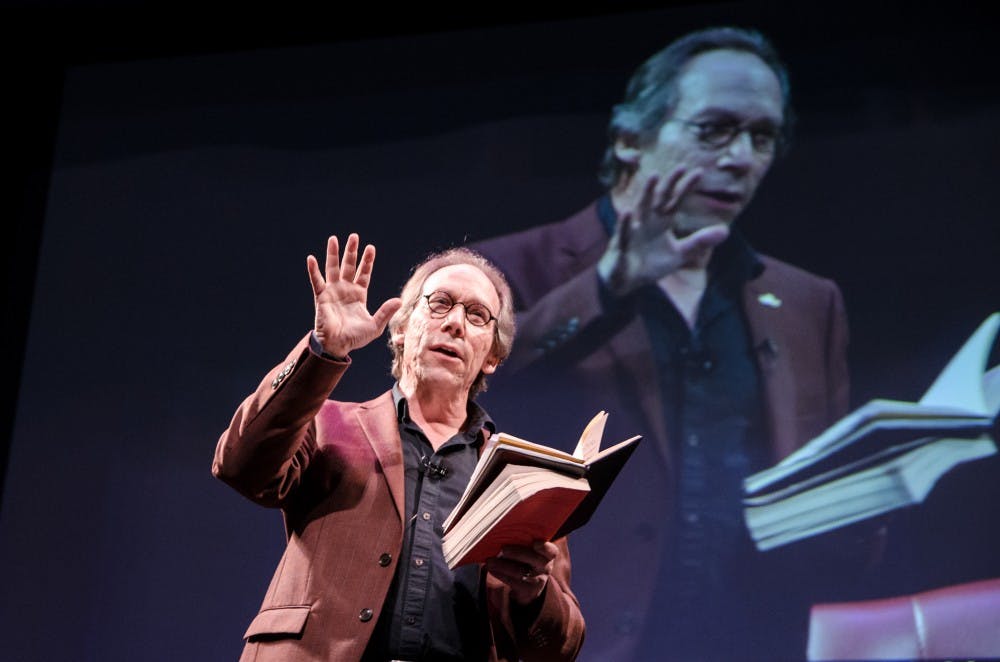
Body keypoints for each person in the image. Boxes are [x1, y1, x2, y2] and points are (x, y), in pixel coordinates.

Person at [471, 26, 879, 660]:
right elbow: (455, 393)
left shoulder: (806, 303)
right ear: (632, 138)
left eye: (762, 137)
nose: (741, 157)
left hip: (753, 640)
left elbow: (827, 505)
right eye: (714, 130)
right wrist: (608, 286)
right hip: (568, 641)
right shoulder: (508, 271)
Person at [213, 233, 585, 661]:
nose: (455, 323)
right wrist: (323, 352)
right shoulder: (325, 422)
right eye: (440, 303)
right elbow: (240, 467)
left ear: (492, 358)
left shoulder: (520, 480)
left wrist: (534, 595)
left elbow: (560, 649)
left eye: (478, 315)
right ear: (404, 327)